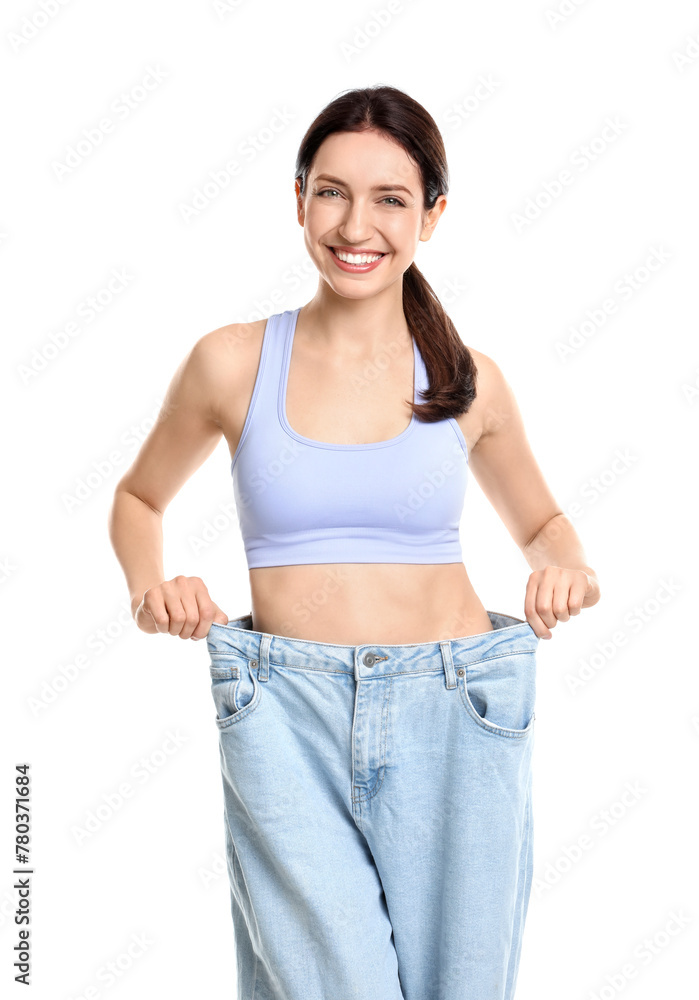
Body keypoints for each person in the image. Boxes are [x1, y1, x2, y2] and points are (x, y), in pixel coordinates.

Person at [108, 85, 601, 1000]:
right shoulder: (233, 361)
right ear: (298, 201)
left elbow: (542, 526)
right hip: (282, 713)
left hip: (458, 709)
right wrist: (150, 587)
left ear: (432, 216)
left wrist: (563, 570)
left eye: (390, 199)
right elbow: (138, 497)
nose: (354, 224)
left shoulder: (466, 381)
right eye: (330, 191)